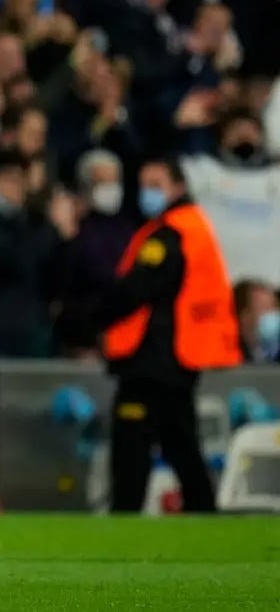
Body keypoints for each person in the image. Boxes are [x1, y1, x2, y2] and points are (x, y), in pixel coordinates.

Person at [94, 157, 241, 513]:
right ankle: (203, 512)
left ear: (178, 186)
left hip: (155, 356)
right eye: (145, 184)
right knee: (181, 443)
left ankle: (126, 516)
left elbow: (137, 288)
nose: (149, 193)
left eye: (156, 184)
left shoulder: (170, 233)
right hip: (179, 356)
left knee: (134, 443)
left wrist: (88, 318)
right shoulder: (193, 227)